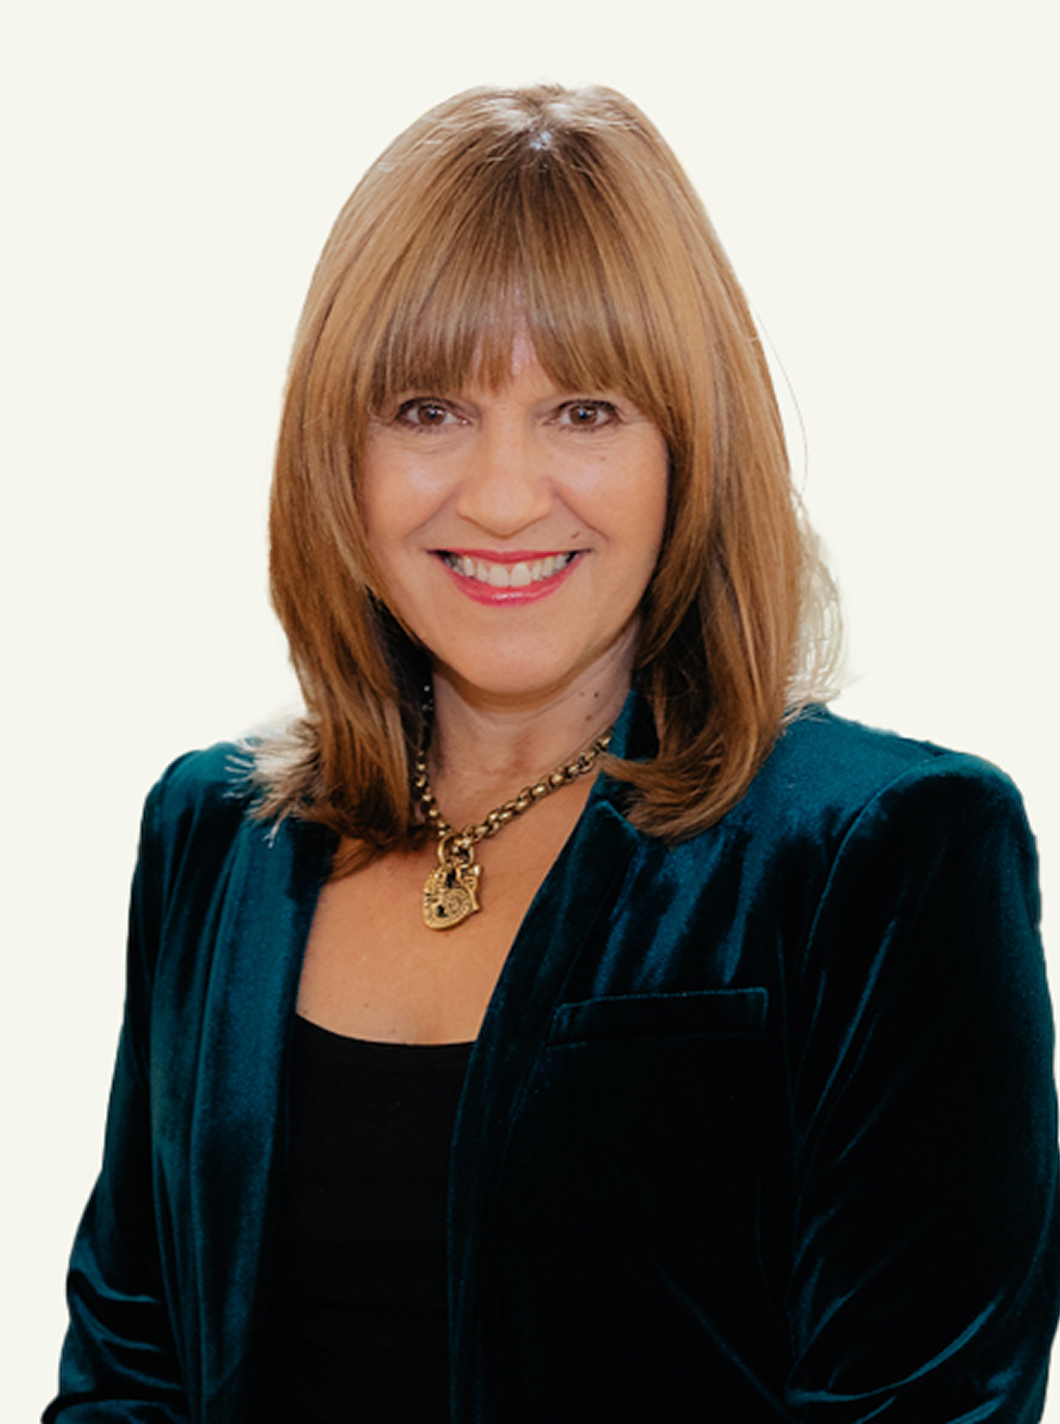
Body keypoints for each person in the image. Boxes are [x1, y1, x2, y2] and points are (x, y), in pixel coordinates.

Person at [44, 84, 1058, 1423]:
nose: (506, 496)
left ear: (688, 448)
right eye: (428, 410)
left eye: (584, 410)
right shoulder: (213, 837)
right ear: (337, 451)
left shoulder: (890, 853)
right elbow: (130, 1367)